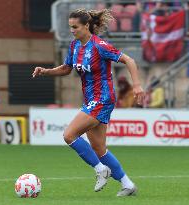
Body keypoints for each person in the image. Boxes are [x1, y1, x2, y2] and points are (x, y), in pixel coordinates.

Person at [32, 8, 144, 197]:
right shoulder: (75, 46)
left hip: (103, 99)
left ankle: (101, 170)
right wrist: (46, 71)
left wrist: (137, 85)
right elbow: (67, 68)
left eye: (75, 27)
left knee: (69, 135)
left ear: (86, 26)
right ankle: (128, 184)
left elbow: (129, 60)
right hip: (91, 100)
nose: (72, 30)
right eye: (70, 27)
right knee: (99, 149)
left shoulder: (100, 45)